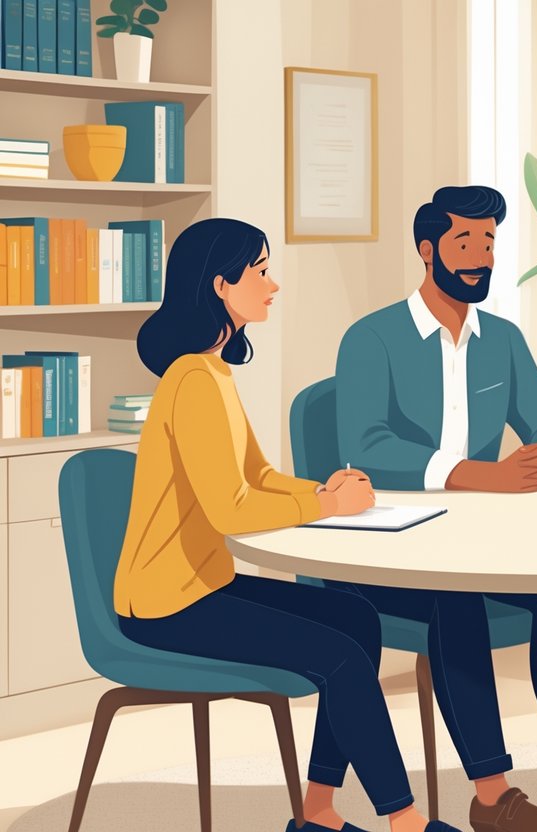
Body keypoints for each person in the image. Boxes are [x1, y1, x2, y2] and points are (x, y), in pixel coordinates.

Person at [114, 218, 460, 832]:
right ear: (222, 285)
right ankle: (404, 821)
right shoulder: (192, 381)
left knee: (356, 618)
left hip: (202, 583)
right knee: (342, 659)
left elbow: (258, 474)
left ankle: (319, 813)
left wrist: (324, 491)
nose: (274, 285)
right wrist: (327, 509)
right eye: (263, 271)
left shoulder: (214, 372)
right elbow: (230, 508)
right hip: (168, 601)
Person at [333, 185, 537, 832]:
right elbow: (364, 446)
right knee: (456, 600)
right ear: (427, 250)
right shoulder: (371, 339)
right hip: (380, 553)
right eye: (463, 241)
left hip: (477, 541)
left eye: (489, 242)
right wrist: (480, 475)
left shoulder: (500, 340)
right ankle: (492, 795)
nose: (479, 256)